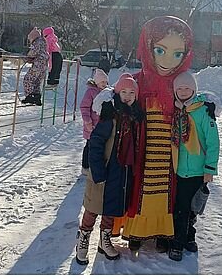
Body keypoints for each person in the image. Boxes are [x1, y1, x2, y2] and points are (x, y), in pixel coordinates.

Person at [120, 16, 195, 254]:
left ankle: (163, 232)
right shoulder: (139, 80)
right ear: (148, 47)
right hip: (144, 149)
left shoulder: (181, 83)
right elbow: (122, 97)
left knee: (166, 193)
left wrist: (208, 105)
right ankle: (137, 231)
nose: (166, 60)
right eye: (160, 50)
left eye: (176, 54)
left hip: (170, 154)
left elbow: (193, 102)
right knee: (141, 189)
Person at [75, 74, 143, 266]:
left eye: (132, 92)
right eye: (124, 92)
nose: (128, 96)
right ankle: (83, 239)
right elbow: (95, 143)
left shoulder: (134, 118)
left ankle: (105, 241)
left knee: (110, 210)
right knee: (92, 208)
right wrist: (97, 171)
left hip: (121, 172)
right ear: (117, 93)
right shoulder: (110, 116)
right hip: (103, 171)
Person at [170, 70, 218, 262]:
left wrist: (209, 169)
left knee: (191, 208)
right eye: (179, 88)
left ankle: (186, 239)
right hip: (179, 169)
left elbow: (213, 142)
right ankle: (181, 241)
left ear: (194, 89)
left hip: (198, 170)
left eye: (187, 88)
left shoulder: (203, 111)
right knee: (181, 208)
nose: (182, 91)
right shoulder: (174, 110)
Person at [78, 69, 109, 171]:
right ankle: (85, 166)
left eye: (106, 82)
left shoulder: (106, 92)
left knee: (99, 146)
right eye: (102, 82)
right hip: (91, 125)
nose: (105, 84)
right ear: (97, 82)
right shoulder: (91, 92)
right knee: (90, 145)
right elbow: (84, 107)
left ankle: (96, 166)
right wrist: (87, 121)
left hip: (101, 125)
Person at [20, 28, 48, 105]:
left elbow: (33, 52)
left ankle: (29, 96)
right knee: (36, 82)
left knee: (28, 79)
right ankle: (37, 97)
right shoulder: (43, 42)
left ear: (33, 37)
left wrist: (28, 57)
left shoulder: (37, 42)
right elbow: (40, 53)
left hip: (38, 64)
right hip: (44, 65)